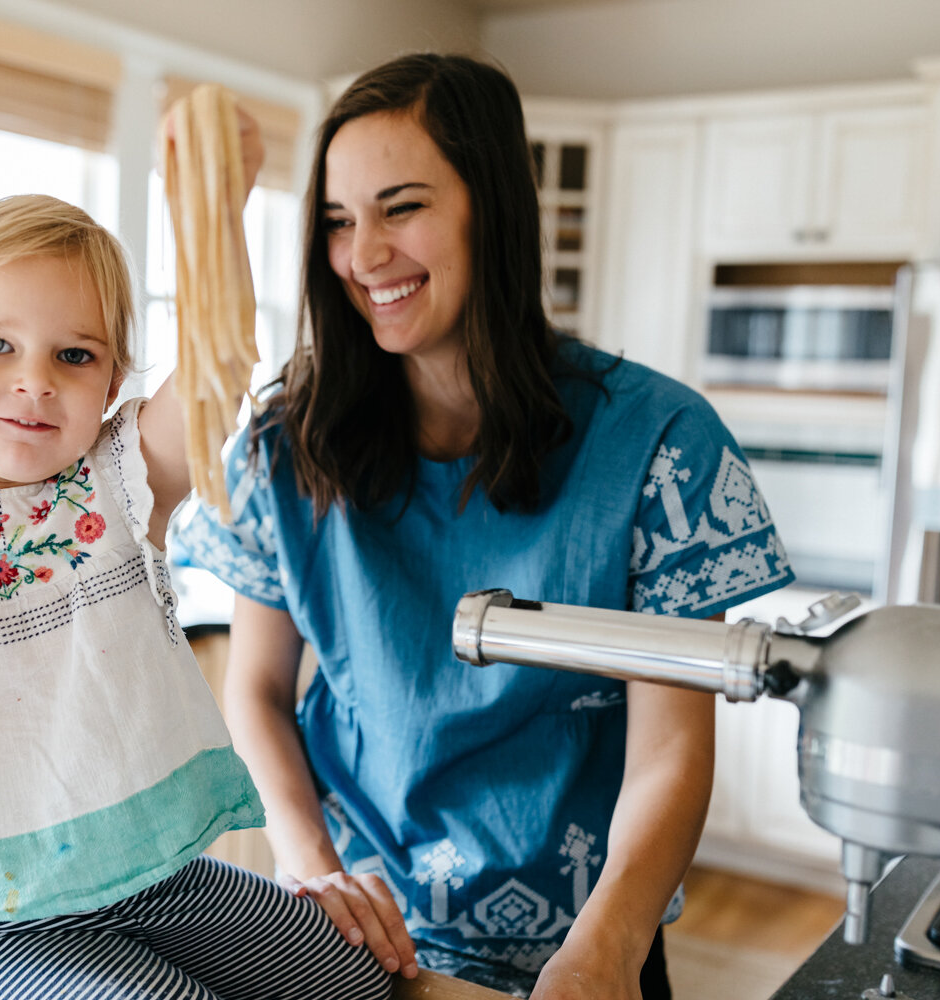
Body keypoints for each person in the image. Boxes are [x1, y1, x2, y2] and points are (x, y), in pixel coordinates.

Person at [176, 53, 796, 1000]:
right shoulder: (284, 444)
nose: (364, 254)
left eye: (402, 207)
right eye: (339, 222)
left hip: (592, 943)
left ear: (493, 208)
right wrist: (310, 870)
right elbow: (255, 692)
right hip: (363, 942)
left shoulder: (658, 445)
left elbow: (670, 744)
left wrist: (608, 946)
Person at [0, 192, 392, 1000]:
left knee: (350, 979)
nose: (34, 382)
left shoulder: (118, 484)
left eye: (74, 355)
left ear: (109, 382)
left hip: (153, 881)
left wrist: (217, 191)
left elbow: (217, 363)